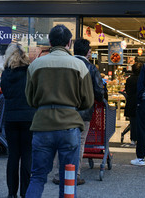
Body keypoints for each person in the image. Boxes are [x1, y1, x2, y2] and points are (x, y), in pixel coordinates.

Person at [25, 25, 94, 198]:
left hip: (42, 125)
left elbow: (30, 99)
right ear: (69, 43)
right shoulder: (80, 65)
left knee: (38, 177)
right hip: (69, 125)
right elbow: (88, 101)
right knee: (68, 178)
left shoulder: (35, 66)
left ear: (49, 42)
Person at [52, 39, 104, 185]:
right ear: (88, 52)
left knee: (62, 142)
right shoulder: (91, 68)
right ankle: (74, 175)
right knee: (79, 143)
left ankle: (57, 174)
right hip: (83, 112)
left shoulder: (64, 64)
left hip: (63, 110)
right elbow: (99, 91)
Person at [0, 43, 36, 198]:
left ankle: (11, 193)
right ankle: (25, 192)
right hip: (29, 118)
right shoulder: (30, 72)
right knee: (27, 155)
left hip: (11, 119)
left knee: (13, 156)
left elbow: (5, 93)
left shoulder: (6, 74)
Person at [124, 62, 143, 145]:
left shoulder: (129, 79)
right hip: (142, 103)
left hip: (131, 103)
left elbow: (127, 91)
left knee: (133, 122)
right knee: (142, 122)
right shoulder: (144, 79)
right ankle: (141, 139)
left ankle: (133, 139)